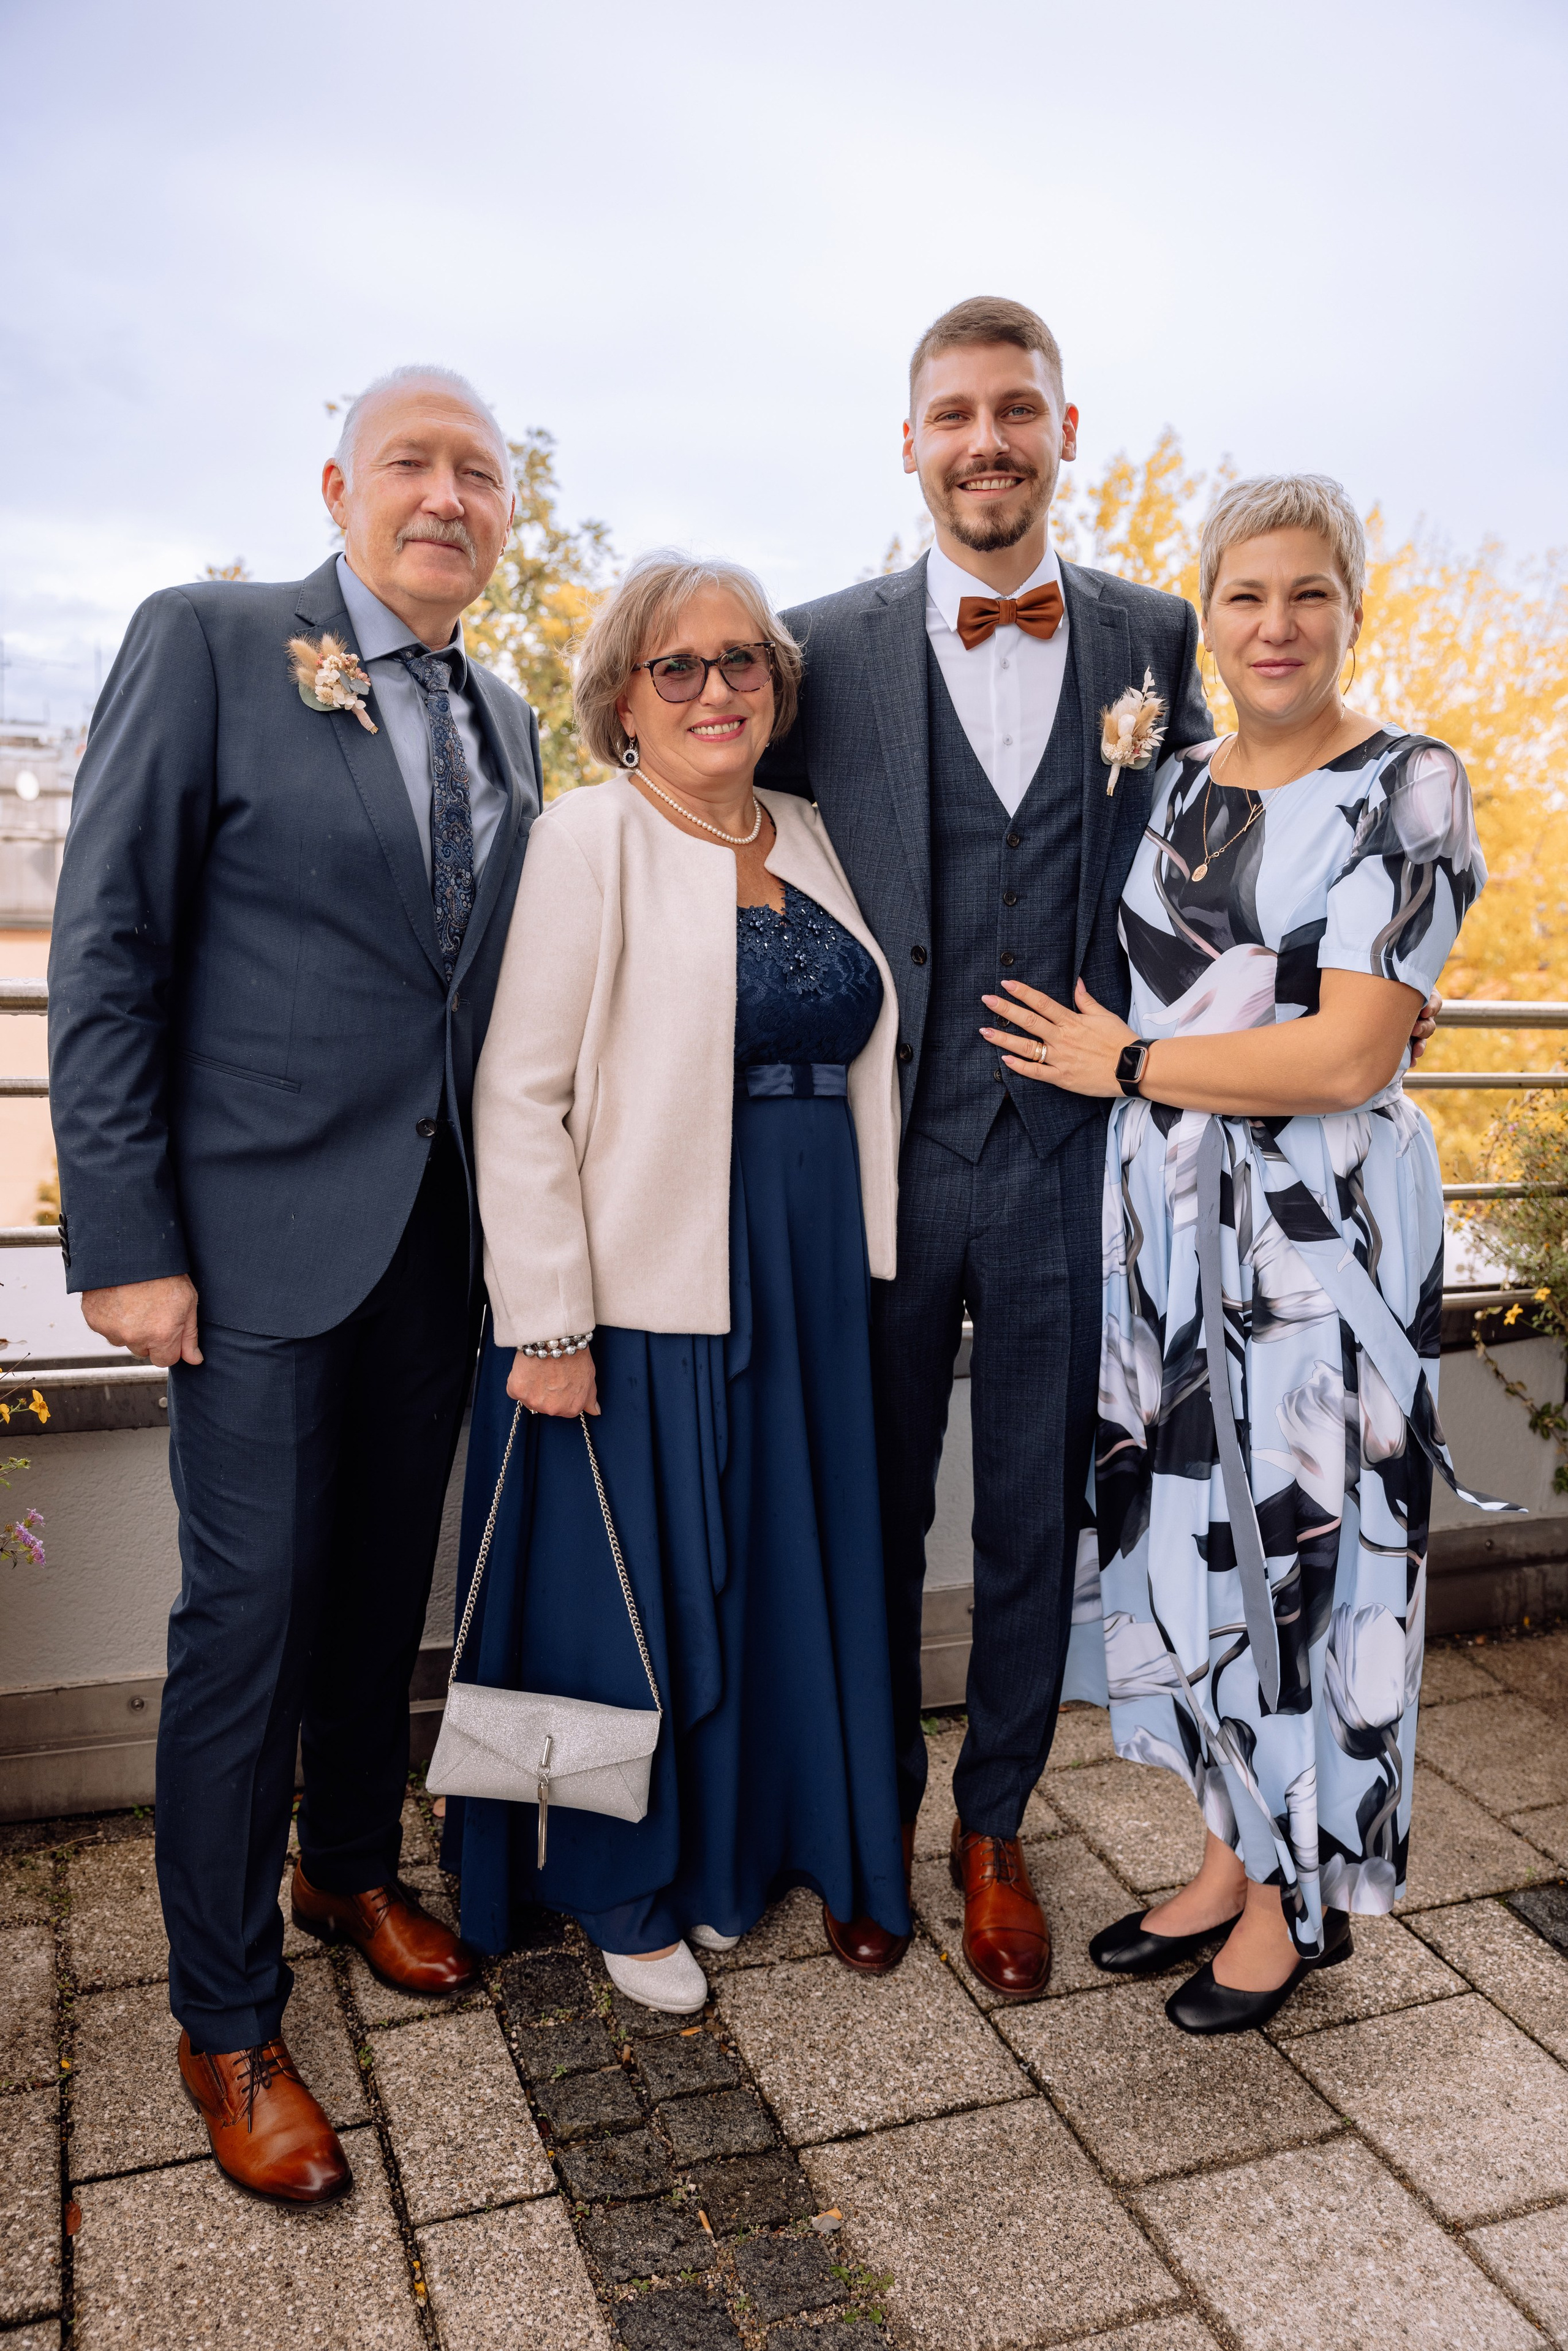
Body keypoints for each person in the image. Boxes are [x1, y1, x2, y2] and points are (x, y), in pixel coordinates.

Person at [47, 367, 541, 2198]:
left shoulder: (505, 711)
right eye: (412, 463)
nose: (447, 496)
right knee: (244, 1617)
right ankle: (224, 2010)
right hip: (244, 1245)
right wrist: (129, 1239)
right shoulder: (209, 638)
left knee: (374, 1594)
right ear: (338, 484)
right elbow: (106, 942)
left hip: (440, 1241)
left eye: (478, 474)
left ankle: (346, 1865)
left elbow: (476, 992)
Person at [993, 473, 1506, 2029]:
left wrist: (1131, 1070)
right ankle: (1225, 1854)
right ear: (1203, 613)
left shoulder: (1408, 784)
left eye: (1307, 593)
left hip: (1312, 1238)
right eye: (1242, 595)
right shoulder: (1182, 782)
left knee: (1308, 1550)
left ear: (1355, 607)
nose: (1273, 625)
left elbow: (1348, 1054)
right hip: (1168, 1233)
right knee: (1192, 1541)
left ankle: (1297, 1900)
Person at [442, 551, 910, 2012]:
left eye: (742, 662)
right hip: (642, 1280)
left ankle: (743, 1850)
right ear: (622, 700)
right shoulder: (586, 839)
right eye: (678, 666)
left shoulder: (818, 833)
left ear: (776, 685)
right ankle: (614, 1881)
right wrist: (549, 1318)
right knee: (629, 1587)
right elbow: (517, 1094)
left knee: (774, 1564)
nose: (717, 689)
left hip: (812, 1268)